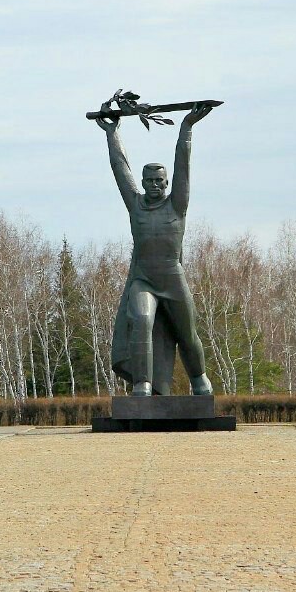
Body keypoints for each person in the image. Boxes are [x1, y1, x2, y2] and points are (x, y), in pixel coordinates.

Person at [97, 99, 215, 396]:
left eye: (159, 181)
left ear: (165, 183)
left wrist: (186, 128)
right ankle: (143, 384)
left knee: (187, 333)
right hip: (144, 280)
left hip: (172, 279)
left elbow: (183, 166)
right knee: (142, 320)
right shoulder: (136, 205)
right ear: (143, 182)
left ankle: (199, 379)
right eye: (149, 180)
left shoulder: (177, 205)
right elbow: (119, 168)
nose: (154, 185)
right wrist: (112, 134)